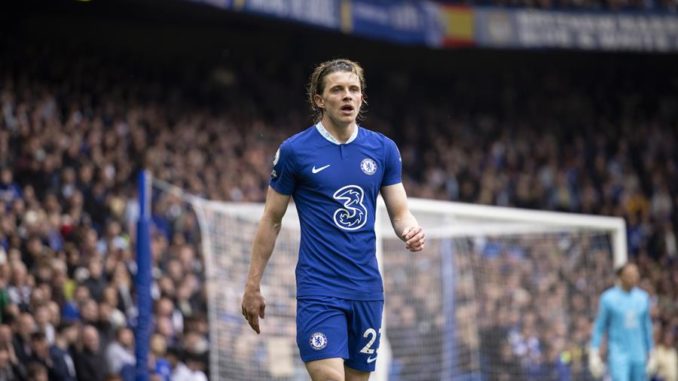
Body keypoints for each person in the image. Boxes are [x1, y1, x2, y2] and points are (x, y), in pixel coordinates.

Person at [241, 58, 425, 381]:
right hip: (319, 289)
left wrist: (409, 230)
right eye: (337, 90)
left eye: (354, 90)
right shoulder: (295, 152)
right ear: (319, 100)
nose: (347, 96)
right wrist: (252, 285)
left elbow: (400, 212)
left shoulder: (383, 150)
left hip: (366, 290)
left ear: (362, 97)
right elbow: (271, 219)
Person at [589, 262, 654, 381]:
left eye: (635, 274)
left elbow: (647, 327)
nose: (634, 278)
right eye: (630, 275)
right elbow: (599, 327)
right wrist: (594, 351)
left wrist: (651, 352)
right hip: (618, 355)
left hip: (639, 354)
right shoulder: (608, 298)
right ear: (621, 277)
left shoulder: (643, 298)